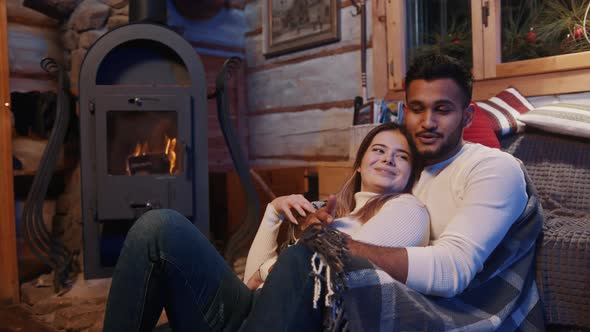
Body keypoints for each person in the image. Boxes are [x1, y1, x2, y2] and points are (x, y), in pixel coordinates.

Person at [246, 54, 543, 331]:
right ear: (405, 113)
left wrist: (326, 243)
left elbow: (452, 271)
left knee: (304, 263)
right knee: (197, 249)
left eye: (442, 109)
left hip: (457, 315)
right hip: (312, 285)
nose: (427, 122)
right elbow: (357, 210)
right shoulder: (412, 170)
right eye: (417, 109)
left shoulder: (492, 168)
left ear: (467, 117)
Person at [102, 122, 430, 331]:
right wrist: (272, 214)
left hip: (295, 319)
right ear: (359, 163)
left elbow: (339, 261)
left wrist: (276, 264)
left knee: (162, 229)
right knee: (157, 227)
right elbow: (251, 284)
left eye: (401, 156)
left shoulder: (407, 209)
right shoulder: (335, 211)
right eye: (378, 150)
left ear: (411, 174)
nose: (388, 159)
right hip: (255, 313)